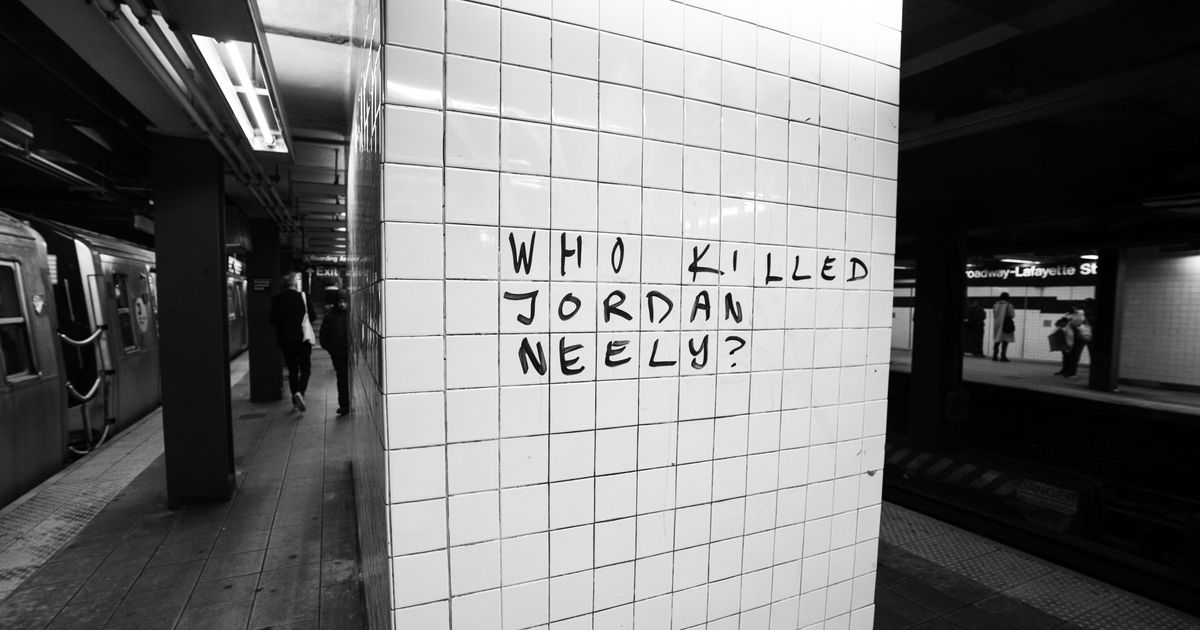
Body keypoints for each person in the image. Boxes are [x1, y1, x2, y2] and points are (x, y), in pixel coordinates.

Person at [269, 272, 317, 412]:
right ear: (295, 284)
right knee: (306, 369)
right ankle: (300, 393)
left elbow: (271, 320)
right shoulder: (303, 297)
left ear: (284, 285)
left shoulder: (277, 300)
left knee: (292, 370)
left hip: (285, 341)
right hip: (302, 339)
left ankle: (295, 398)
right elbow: (313, 316)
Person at [320, 288, 350, 416]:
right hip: (338, 353)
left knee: (345, 378)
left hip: (348, 352)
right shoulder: (330, 317)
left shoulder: (350, 315)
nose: (342, 304)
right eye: (340, 302)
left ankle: (347, 403)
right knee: (342, 378)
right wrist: (333, 350)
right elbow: (323, 338)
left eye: (344, 301)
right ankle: (344, 404)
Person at [1056, 305, 1092, 378]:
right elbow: (1058, 324)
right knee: (1066, 354)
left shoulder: (1080, 315)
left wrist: (1067, 320)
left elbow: (1076, 323)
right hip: (1070, 338)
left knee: (1074, 356)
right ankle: (1065, 370)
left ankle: (1072, 373)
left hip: (1080, 338)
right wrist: (1064, 320)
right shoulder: (1067, 315)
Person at [991, 292, 1016, 362]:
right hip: (1005, 324)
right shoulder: (1009, 305)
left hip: (997, 324)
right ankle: (1003, 356)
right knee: (1005, 341)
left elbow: (994, 314)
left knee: (997, 340)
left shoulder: (996, 305)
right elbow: (1012, 315)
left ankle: (995, 356)